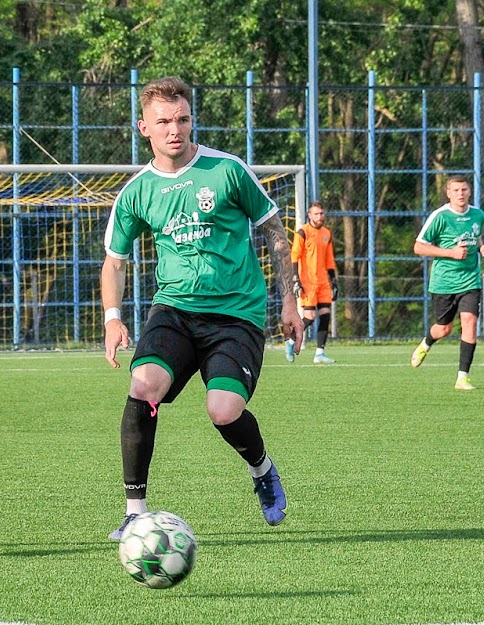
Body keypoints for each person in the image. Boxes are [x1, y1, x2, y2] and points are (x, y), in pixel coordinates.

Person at [101, 76, 304, 540]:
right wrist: (113, 320)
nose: (175, 129)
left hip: (237, 315)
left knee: (223, 409)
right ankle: (135, 512)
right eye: (164, 121)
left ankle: (262, 471)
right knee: (143, 383)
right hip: (174, 310)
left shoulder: (226, 169)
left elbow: (274, 230)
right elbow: (114, 262)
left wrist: (289, 300)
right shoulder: (136, 192)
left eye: (182, 119)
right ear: (143, 128)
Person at [410, 175, 484, 390]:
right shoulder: (440, 216)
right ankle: (426, 342)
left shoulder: (478, 214)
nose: (460, 194)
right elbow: (419, 247)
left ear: (470, 191)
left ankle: (462, 377)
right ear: (448, 193)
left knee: (470, 322)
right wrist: (450, 253)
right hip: (444, 282)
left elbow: (475, 237)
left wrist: (482, 247)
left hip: (470, 280)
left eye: (464, 190)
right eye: (456, 190)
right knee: (444, 329)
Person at [285, 201, 338, 364]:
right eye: (316, 214)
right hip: (307, 281)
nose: (319, 216)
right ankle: (291, 341)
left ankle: (319, 353)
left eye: (321, 213)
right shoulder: (302, 232)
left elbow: (329, 259)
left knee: (325, 315)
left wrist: (334, 281)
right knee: (309, 316)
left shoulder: (326, 233)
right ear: (309, 215)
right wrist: (295, 278)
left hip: (323, 281)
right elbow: (295, 256)